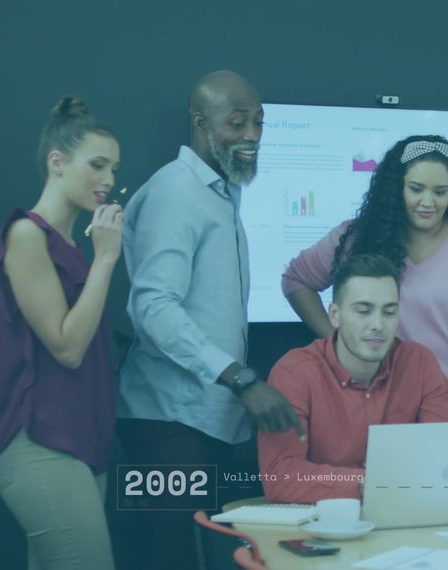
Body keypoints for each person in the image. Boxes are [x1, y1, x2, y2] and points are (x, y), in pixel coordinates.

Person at [118, 70, 301, 570]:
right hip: (168, 421)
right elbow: (152, 306)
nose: (252, 136)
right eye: (237, 123)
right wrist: (241, 378)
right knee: (173, 556)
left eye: (259, 124)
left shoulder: (221, 193)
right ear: (201, 123)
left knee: (200, 556)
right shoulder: (176, 192)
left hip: (205, 423)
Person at [282, 135, 448, 421]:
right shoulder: (358, 237)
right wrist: (340, 341)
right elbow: (296, 281)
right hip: (376, 394)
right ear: (396, 187)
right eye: (416, 189)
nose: (428, 202)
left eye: (440, 192)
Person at [0, 97, 122, 570]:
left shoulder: (69, 247)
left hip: (81, 442)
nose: (108, 181)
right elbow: (67, 348)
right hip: (39, 442)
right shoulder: (26, 235)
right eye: (98, 166)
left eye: (114, 169)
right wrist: (106, 259)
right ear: (57, 163)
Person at [260, 254, 448, 503]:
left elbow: (447, 461)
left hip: (403, 516)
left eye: (389, 312)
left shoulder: (419, 363)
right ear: (335, 315)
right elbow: (282, 478)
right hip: (322, 524)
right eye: (363, 311)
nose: (377, 324)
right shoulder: (295, 373)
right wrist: (370, 483)